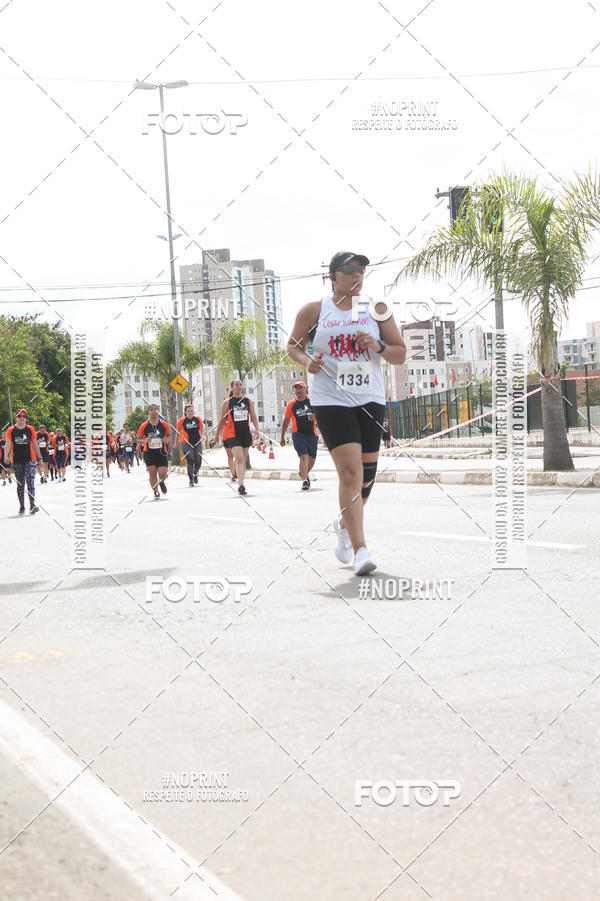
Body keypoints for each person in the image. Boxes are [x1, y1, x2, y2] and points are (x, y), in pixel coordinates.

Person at [287, 251, 406, 575]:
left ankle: (343, 523)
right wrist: (306, 361)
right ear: (333, 276)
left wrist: (377, 346)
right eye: (350, 270)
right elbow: (293, 345)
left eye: (362, 270)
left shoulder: (377, 310)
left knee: (366, 480)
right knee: (350, 473)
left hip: (369, 397)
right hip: (330, 400)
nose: (357, 276)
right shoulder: (314, 311)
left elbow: (399, 354)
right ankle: (361, 550)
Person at [215, 379, 259, 495]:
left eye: (240, 385)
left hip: (245, 433)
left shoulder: (247, 401)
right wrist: (216, 436)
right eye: (236, 385)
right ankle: (241, 484)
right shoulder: (227, 403)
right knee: (239, 458)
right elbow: (222, 420)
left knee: (243, 460)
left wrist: (257, 430)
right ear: (232, 387)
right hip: (232, 434)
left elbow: (253, 416)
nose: (239, 387)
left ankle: (241, 481)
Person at [280, 381, 318, 490]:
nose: (299, 390)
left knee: (312, 459)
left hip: (312, 433)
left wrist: (315, 416)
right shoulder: (292, 404)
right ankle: (305, 480)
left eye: (301, 388)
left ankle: (303, 473)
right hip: (298, 434)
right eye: (296, 388)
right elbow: (286, 421)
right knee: (303, 456)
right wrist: (282, 436)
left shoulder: (312, 401)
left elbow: (322, 412)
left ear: (305, 389)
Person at [3, 409, 40, 515]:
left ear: (26, 418)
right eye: (19, 416)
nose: (22, 418)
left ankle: (32, 505)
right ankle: (22, 506)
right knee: (20, 484)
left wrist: (40, 458)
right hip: (17, 460)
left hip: (30, 459)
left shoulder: (30, 429)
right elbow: (8, 444)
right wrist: (6, 456)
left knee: (30, 481)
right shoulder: (11, 430)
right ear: (16, 418)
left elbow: (35, 444)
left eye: (24, 416)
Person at [138, 404, 170, 498]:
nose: (154, 411)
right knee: (152, 472)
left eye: (156, 409)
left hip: (161, 451)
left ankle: (162, 482)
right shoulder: (144, 425)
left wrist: (166, 439)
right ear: (149, 412)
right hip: (149, 452)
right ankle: (155, 491)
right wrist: (145, 440)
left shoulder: (164, 424)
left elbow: (169, 436)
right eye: (152, 409)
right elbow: (138, 440)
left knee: (162, 472)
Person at [176, 404, 205, 488]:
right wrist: (175, 442)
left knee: (198, 459)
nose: (190, 413)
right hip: (186, 443)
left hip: (197, 442)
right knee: (190, 459)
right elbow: (177, 432)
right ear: (185, 412)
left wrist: (202, 435)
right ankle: (191, 480)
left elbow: (202, 429)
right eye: (188, 411)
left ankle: (195, 473)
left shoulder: (197, 419)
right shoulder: (182, 420)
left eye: (191, 411)